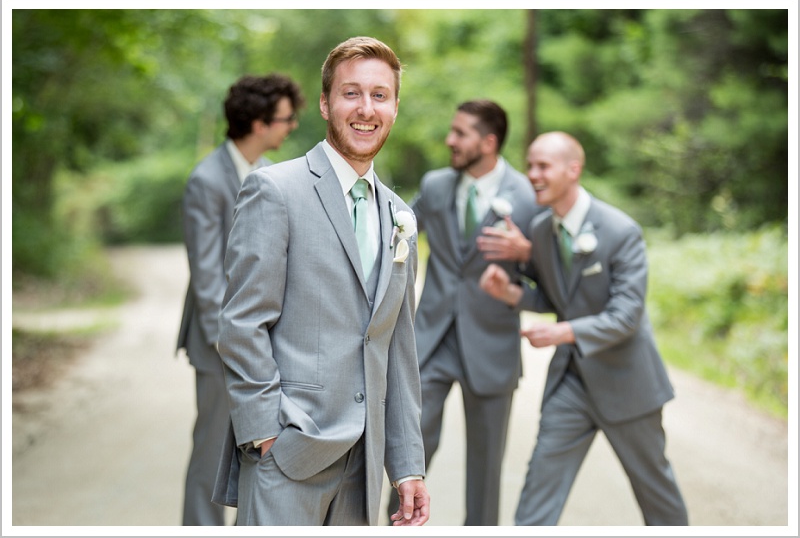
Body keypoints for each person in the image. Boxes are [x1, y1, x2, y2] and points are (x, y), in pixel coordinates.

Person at [211, 36, 429, 526]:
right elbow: (242, 323)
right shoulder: (274, 190)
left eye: (380, 95)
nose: (366, 108)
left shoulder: (400, 215)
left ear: (395, 107)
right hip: (289, 453)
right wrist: (266, 433)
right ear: (327, 104)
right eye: (351, 93)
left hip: (364, 463)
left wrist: (408, 463)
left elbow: (397, 346)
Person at [478, 131, 689, 526]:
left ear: (573, 170)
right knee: (538, 490)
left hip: (628, 386)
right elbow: (557, 300)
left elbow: (626, 317)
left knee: (657, 496)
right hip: (570, 384)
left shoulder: (621, 231)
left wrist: (561, 333)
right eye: (530, 166)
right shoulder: (541, 230)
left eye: (543, 166)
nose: (533, 175)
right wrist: (511, 294)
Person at [387, 100, 544, 526]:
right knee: (406, 453)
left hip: (492, 347)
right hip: (431, 341)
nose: (449, 140)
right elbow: (393, 239)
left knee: (486, 471)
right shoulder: (435, 186)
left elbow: (550, 285)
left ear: (488, 142)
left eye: (461, 134)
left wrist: (526, 253)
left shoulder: (529, 198)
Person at [176, 72, 304, 526]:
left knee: (259, 451)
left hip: (260, 341)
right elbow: (207, 278)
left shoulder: (270, 173)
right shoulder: (206, 181)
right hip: (217, 345)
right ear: (258, 122)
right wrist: (231, 348)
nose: (291, 127)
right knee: (212, 453)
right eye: (286, 119)